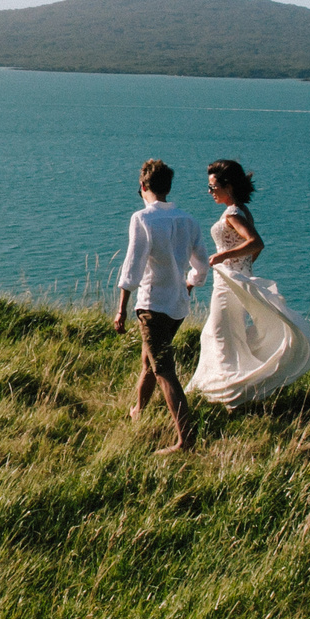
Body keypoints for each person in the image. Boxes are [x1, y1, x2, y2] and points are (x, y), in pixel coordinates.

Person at [189, 158, 310, 405]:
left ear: (228, 186)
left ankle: (230, 396)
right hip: (233, 282)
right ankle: (230, 392)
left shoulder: (233, 213)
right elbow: (251, 250)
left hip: (228, 287)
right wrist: (243, 267)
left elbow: (256, 243)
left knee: (219, 336)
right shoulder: (241, 210)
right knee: (223, 335)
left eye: (213, 187)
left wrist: (223, 257)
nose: (209, 192)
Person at [112, 158, 208, 450]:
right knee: (149, 361)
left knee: (164, 371)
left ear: (143, 187)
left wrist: (121, 310)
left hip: (153, 306)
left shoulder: (142, 218)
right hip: (178, 306)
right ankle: (138, 412)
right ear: (167, 187)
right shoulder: (188, 220)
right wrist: (189, 284)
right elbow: (201, 266)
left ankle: (185, 440)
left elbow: (132, 266)